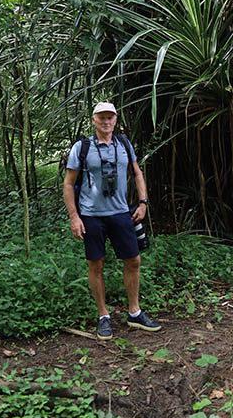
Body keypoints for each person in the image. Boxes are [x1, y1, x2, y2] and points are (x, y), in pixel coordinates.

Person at [63, 101, 161, 339]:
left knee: (134, 260)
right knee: (96, 264)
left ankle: (134, 312)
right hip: (91, 215)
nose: (106, 122)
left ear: (115, 120)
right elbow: (68, 183)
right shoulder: (82, 147)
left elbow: (136, 172)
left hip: (120, 212)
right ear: (94, 120)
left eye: (110, 118)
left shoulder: (124, 144)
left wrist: (143, 202)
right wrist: (74, 217)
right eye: (101, 118)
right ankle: (103, 316)